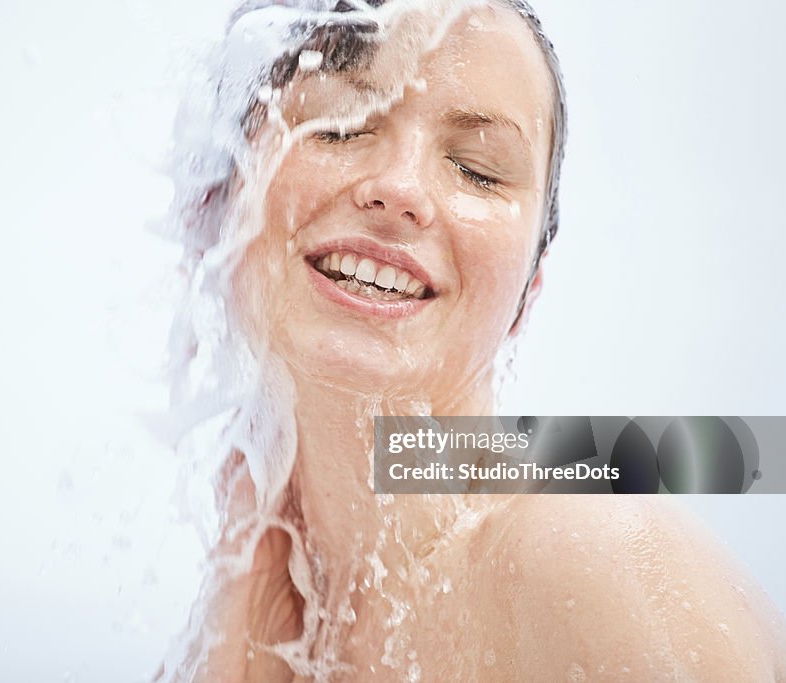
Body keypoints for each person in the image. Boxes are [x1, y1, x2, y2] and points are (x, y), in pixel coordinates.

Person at [157, 0, 786, 680]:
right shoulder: (252, 603)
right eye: (338, 127)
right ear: (212, 206)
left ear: (526, 292)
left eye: (480, 169)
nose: (400, 190)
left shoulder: (605, 565)